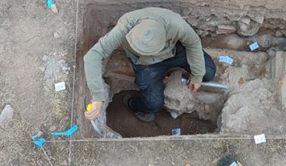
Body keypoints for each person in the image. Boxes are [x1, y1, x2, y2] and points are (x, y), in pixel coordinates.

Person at [83, 7, 217, 123]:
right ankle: (133, 104)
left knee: (208, 71)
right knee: (152, 105)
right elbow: (93, 55)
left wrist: (197, 76)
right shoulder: (125, 26)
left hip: (174, 52)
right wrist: (97, 96)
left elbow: (193, 43)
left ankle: (177, 69)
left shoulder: (175, 24)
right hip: (145, 63)